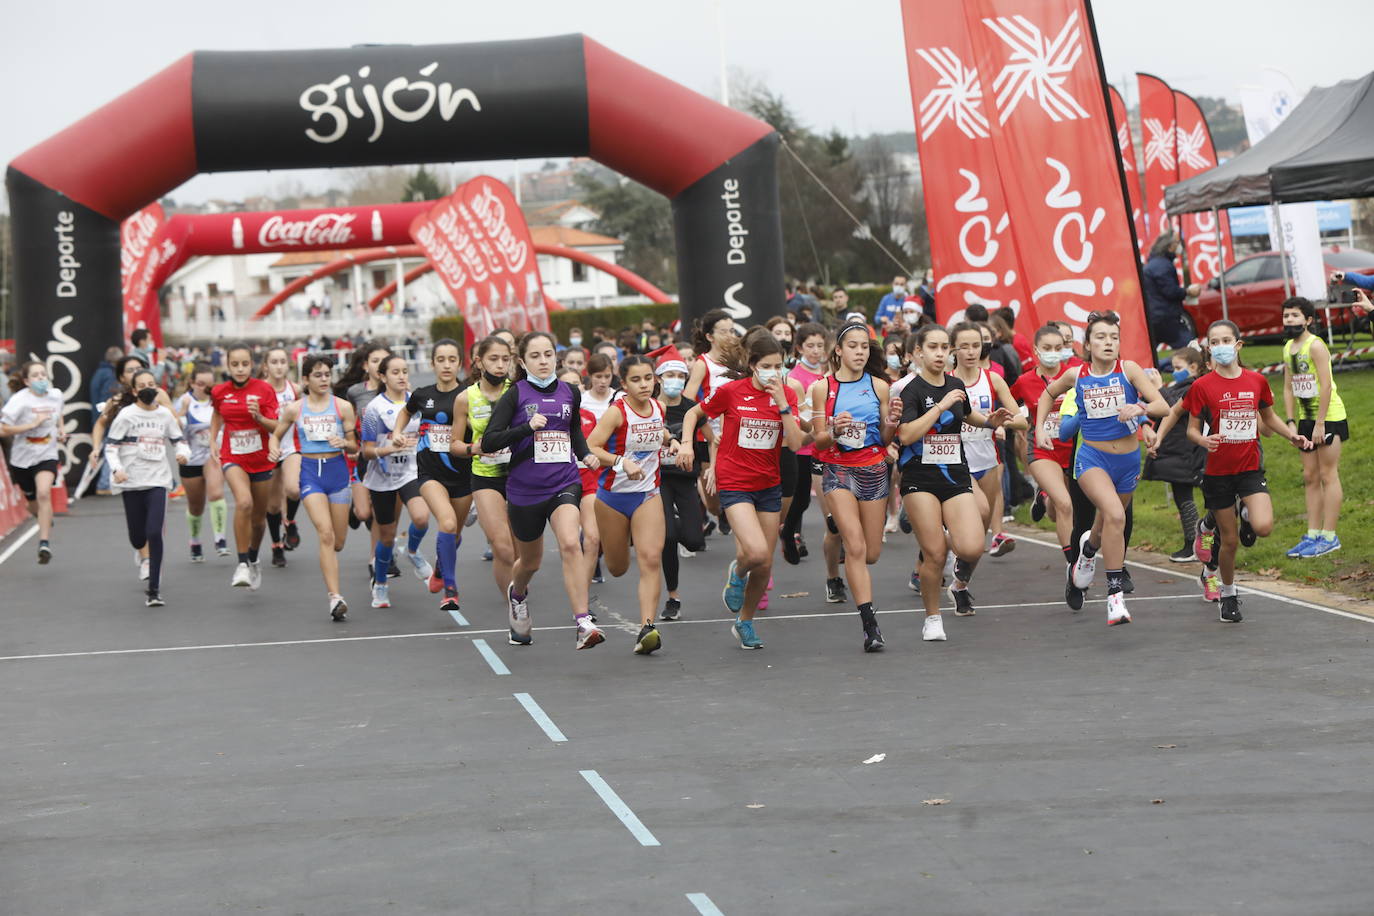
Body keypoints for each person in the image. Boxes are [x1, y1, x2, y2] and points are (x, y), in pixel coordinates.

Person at [1037, 311, 1167, 626]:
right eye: (1100, 337)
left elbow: (1163, 406)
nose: (1108, 343)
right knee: (1117, 516)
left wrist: (1140, 408)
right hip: (1092, 459)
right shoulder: (1076, 375)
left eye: (1113, 337)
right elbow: (1047, 394)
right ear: (1087, 344)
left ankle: (1087, 551)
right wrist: (1040, 427)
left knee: (1104, 525)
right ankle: (1114, 597)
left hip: (1127, 461)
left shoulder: (1130, 370)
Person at [480, 331, 606, 650]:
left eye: (548, 354)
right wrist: (526, 428)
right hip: (524, 490)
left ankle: (582, 622)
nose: (543, 361)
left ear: (556, 356)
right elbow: (490, 440)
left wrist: (585, 453)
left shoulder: (569, 392)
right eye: (535, 356)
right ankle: (517, 594)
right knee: (530, 562)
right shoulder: (515, 394)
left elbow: (573, 429)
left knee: (570, 542)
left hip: (564, 481)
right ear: (522, 361)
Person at [1176, 321, 1309, 621]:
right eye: (1215, 341)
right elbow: (1192, 430)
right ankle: (1229, 593)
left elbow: (1270, 417)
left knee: (1263, 526)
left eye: (1227, 340)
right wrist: (1203, 439)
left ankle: (1247, 512)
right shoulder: (1202, 386)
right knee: (1230, 541)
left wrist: (1293, 435)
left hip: (1249, 468)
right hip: (1217, 471)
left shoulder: (1256, 381)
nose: (1221, 345)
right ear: (1209, 348)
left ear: (1238, 345)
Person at [678, 333, 802, 650]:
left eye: (778, 366)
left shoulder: (786, 394)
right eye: (766, 366)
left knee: (765, 563)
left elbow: (796, 443)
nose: (773, 372)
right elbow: (693, 413)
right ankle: (738, 571)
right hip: (734, 482)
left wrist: (784, 405)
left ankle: (744, 622)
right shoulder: (732, 392)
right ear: (751, 365)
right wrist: (689, 443)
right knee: (757, 553)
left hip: (768, 484)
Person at [896, 325, 1014, 643]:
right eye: (932, 347)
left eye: (943, 347)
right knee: (934, 555)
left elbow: (966, 414)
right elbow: (906, 435)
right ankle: (933, 617)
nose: (939, 353)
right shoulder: (910, 390)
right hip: (920, 478)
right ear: (918, 352)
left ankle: (943, 536)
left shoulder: (954, 384)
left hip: (955, 474)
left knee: (973, 546)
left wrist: (990, 421)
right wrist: (940, 406)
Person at [809, 322, 901, 651]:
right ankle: (870, 625)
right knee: (857, 548)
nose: (860, 352)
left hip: (874, 470)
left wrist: (892, 423)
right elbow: (817, 440)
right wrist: (834, 431)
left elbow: (887, 438)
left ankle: (852, 552)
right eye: (853, 346)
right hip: (838, 471)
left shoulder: (880, 387)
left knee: (871, 554)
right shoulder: (824, 388)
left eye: (864, 346)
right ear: (839, 350)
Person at [587, 355, 670, 654]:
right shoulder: (616, 412)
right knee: (618, 567)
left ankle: (647, 628)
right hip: (612, 499)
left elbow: (659, 431)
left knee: (650, 558)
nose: (644, 384)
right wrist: (621, 462)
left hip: (648, 494)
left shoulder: (659, 406)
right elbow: (592, 446)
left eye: (648, 378)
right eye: (636, 380)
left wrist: (672, 441)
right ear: (624, 383)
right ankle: (612, 545)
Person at [270, 355, 358, 620]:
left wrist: (345, 444)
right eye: (317, 375)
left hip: (338, 473)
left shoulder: (342, 407)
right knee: (326, 534)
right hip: (310, 473)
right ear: (305, 380)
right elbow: (276, 435)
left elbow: (355, 446)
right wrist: (274, 450)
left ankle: (334, 586)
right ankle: (335, 597)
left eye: (327, 375)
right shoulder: (295, 409)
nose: (323, 380)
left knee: (338, 542)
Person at [949, 322, 1027, 614]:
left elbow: (1021, 420)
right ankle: (938, 553)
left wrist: (998, 421)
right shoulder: (945, 381)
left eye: (976, 345)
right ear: (953, 349)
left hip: (988, 461)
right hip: (957, 462)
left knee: (977, 538)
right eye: (964, 346)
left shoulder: (993, 380)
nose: (971, 351)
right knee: (980, 510)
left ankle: (959, 585)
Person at [390, 339, 470, 613]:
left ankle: (439, 569)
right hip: (429, 473)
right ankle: (451, 589)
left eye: (452, 359)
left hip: (463, 474)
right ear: (432, 363)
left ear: (460, 363)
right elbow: (405, 412)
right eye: (441, 359)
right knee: (446, 523)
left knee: (455, 533)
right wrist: (398, 432)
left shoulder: (470, 394)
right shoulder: (422, 394)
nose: (446, 365)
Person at [104, 368, 191, 606]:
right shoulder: (125, 416)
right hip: (131, 482)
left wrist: (183, 453)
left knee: (154, 532)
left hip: (157, 481)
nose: (148, 389)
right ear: (134, 391)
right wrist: (117, 469)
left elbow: (179, 441)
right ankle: (139, 552)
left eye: (151, 384)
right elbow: (111, 447)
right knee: (137, 537)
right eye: (142, 385)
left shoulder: (164, 415)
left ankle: (154, 590)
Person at [359, 353, 434, 609]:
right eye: (395, 372)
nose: (402, 376)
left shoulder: (418, 402)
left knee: (422, 518)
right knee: (387, 537)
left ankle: (412, 552)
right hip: (382, 477)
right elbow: (366, 450)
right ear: (382, 376)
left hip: (411, 472)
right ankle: (380, 585)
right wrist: (388, 448)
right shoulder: (373, 410)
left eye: (405, 371)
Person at [1279, 297, 1348, 559]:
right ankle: (1312, 533)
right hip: (1305, 419)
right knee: (1310, 475)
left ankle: (1330, 536)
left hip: (1328, 416)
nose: (1289, 320)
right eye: (1286, 316)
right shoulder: (1288, 347)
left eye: (1295, 316)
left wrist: (1320, 423)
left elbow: (1327, 386)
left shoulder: (1316, 346)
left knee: (1328, 474)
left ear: (1308, 320)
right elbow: (1288, 387)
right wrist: (1290, 422)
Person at [209, 343, 280, 591]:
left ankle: (253, 557)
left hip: (260, 457)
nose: (240, 369)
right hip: (233, 456)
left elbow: (276, 426)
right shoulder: (219, 391)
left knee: (259, 520)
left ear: (253, 365)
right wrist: (212, 440)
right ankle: (241, 564)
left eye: (245, 364)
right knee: (244, 503)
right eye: (235, 364)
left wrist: (259, 416)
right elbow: (217, 414)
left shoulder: (265, 390)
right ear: (227, 366)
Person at [452, 336, 517, 605]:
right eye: (494, 359)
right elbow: (454, 444)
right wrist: (474, 449)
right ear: (479, 362)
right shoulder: (465, 398)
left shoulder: (518, 391)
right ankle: (515, 603)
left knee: (519, 550)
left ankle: (517, 589)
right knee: (502, 546)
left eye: (505, 359)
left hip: (519, 476)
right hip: (485, 477)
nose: (500, 365)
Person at [648, 344, 708, 621]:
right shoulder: (649, 407)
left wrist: (712, 469)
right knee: (668, 537)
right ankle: (673, 597)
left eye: (680, 376)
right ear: (658, 378)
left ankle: (682, 525)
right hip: (657, 479)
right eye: (669, 375)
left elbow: (712, 439)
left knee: (695, 541)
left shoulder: (691, 408)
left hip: (685, 479)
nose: (675, 381)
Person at [1011, 326, 1077, 555]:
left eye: (1058, 348)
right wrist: (1015, 423)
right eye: (1047, 348)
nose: (1053, 352)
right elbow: (1008, 407)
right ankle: (1074, 566)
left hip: (1074, 450)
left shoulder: (1075, 374)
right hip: (1043, 451)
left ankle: (1044, 496)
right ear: (1036, 350)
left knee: (1059, 510)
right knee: (1064, 505)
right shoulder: (1024, 381)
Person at [1141, 348, 1206, 561]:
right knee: (1182, 497)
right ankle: (1196, 543)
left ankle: (1197, 544)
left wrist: (1158, 388)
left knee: (1190, 498)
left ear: (1194, 367)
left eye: (1179, 368)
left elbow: (1172, 408)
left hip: (1187, 451)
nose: (1175, 372)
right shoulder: (1181, 386)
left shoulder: (1194, 386)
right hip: (1177, 451)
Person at [0, 361, 65, 563]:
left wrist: (61, 429)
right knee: (32, 504)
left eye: (43, 375)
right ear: (27, 381)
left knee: (44, 493)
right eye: (36, 376)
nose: (41, 379)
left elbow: (58, 412)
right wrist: (32, 424)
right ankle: (43, 517)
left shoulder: (56, 395)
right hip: (22, 458)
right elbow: (3, 429)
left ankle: (43, 544)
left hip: (47, 454)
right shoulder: (19, 401)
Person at [781, 323, 830, 567]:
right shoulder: (794, 379)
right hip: (803, 446)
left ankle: (836, 544)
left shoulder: (829, 374)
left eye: (820, 346)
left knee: (828, 500)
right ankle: (788, 533)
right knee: (800, 500)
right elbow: (799, 420)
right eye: (810, 346)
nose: (816, 351)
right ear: (799, 348)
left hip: (825, 446)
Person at [175, 364, 230, 561]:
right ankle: (195, 540)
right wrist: (182, 412)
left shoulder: (219, 400)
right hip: (190, 459)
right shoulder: (184, 401)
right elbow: (172, 428)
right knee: (196, 506)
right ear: (192, 383)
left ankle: (220, 539)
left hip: (212, 455)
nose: (205, 388)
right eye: (201, 384)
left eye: (209, 384)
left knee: (216, 493)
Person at [259, 347, 299, 567]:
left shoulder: (295, 389)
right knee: (273, 506)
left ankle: (291, 521)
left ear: (288, 364)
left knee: (293, 488)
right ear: (266, 366)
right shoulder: (259, 390)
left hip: (291, 446)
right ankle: (276, 544)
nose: (278, 366)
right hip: (267, 450)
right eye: (273, 361)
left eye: (282, 361)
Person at [1142, 232, 1201, 350]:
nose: (1179, 245)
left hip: (1154, 315)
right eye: (1177, 243)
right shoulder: (1163, 265)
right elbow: (1170, 291)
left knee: (1148, 352)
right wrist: (1188, 291)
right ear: (1169, 246)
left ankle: (1161, 365)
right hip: (1166, 316)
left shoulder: (1153, 264)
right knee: (1191, 349)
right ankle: (1168, 365)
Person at [89, 346, 124, 496]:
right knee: (111, 449)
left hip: (98, 416)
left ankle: (104, 483)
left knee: (106, 449)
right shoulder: (110, 375)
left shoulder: (100, 372)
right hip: (107, 418)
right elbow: (107, 397)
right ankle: (104, 483)